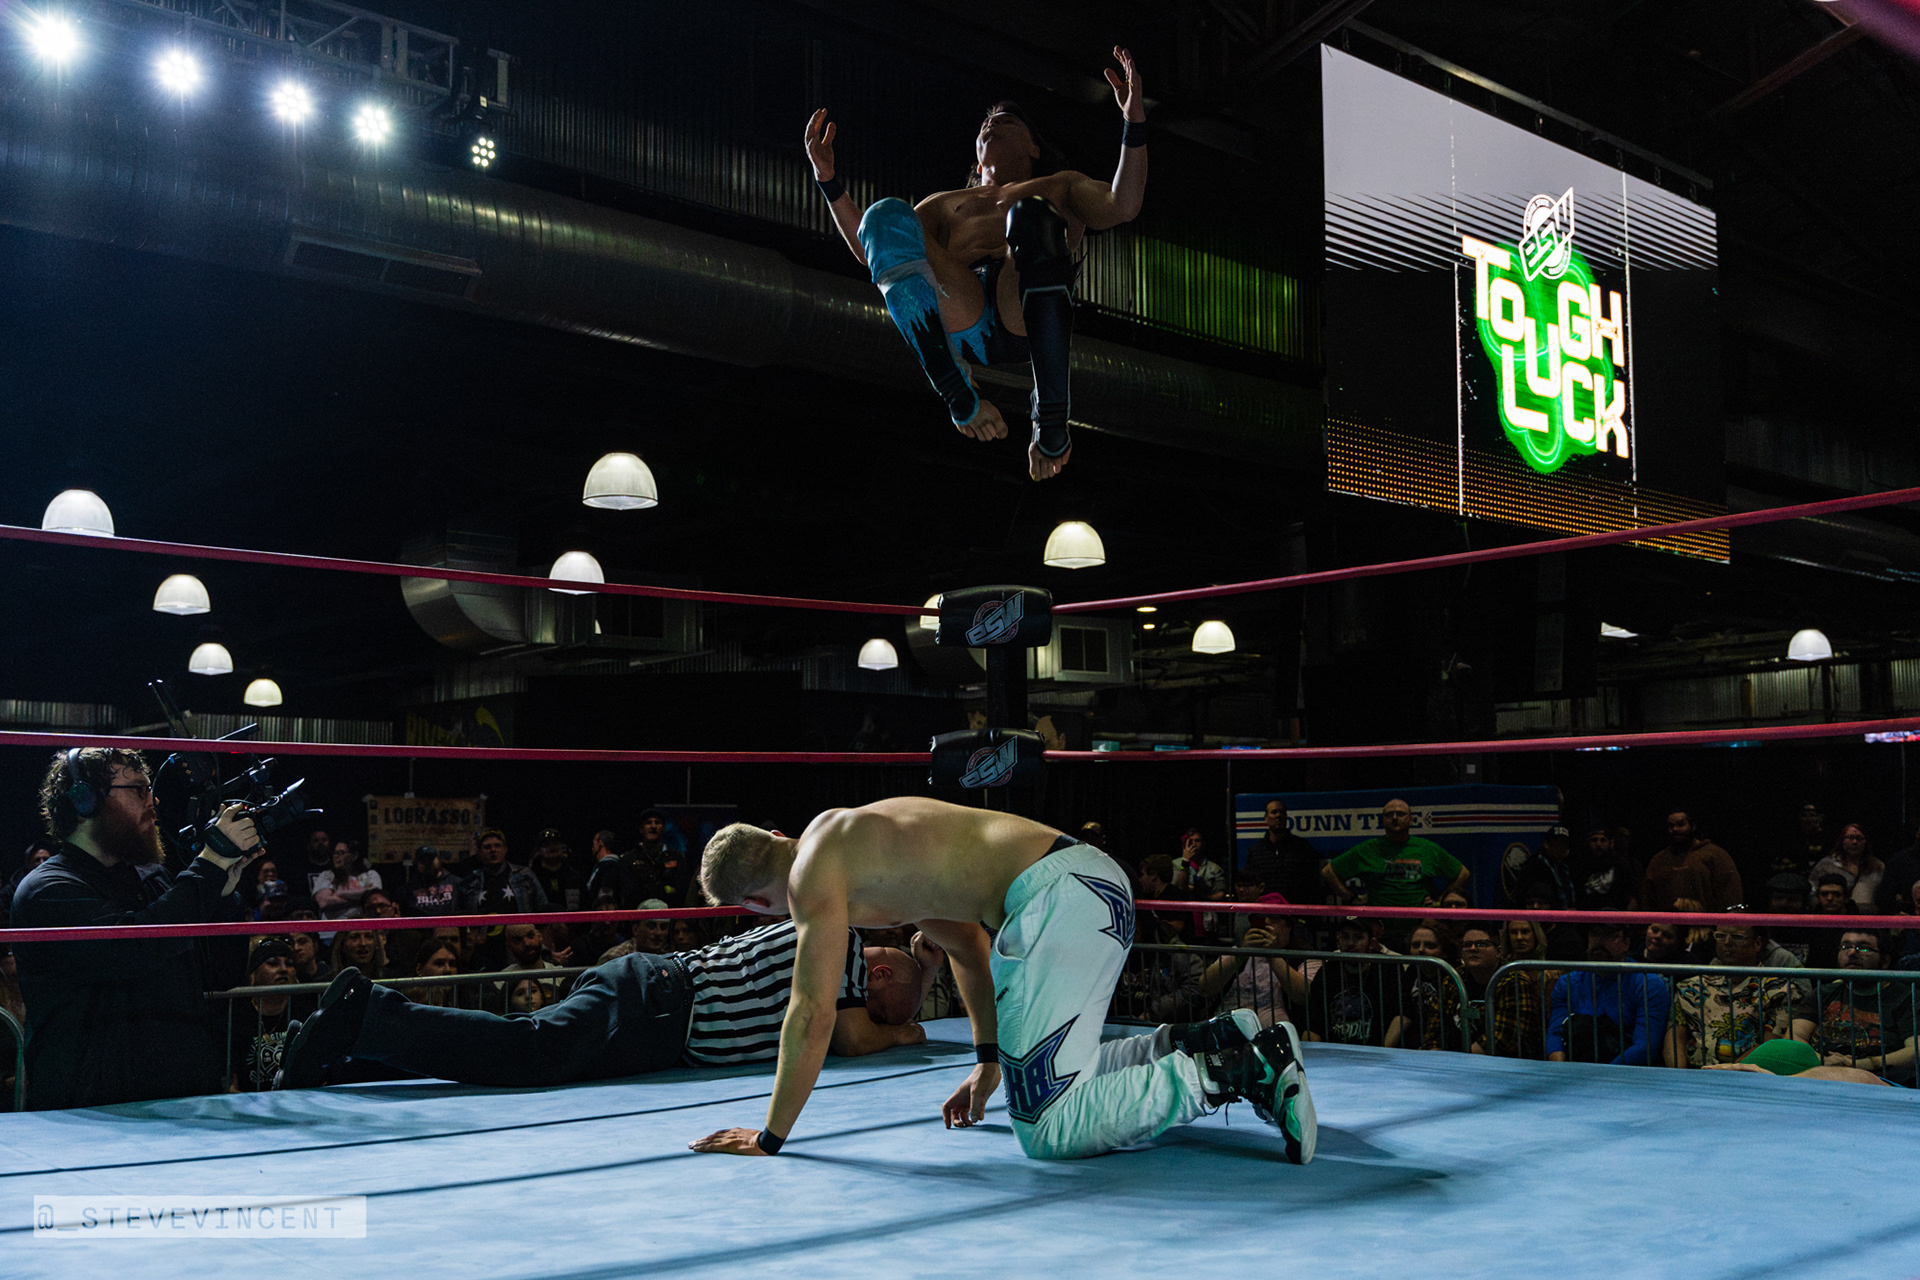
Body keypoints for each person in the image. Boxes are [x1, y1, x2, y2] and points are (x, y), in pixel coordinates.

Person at [687, 797, 1316, 1163]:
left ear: (758, 904)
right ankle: (1207, 1041)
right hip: (1090, 883)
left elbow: (811, 1011)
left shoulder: (811, 876)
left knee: (1047, 1127)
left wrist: (770, 1136)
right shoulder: (855, 843)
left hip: (1057, 898)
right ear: (775, 835)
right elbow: (966, 945)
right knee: (1050, 1080)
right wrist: (987, 1060)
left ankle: (1236, 1070)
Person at [805, 49, 1149, 481]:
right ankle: (955, 389)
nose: (992, 122)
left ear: (1033, 146)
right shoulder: (946, 204)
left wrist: (1134, 122)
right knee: (884, 216)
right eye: (987, 121)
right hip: (960, 308)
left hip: (1025, 308)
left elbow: (1122, 204)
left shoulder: (1061, 185)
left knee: (1031, 215)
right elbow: (872, 245)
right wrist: (828, 181)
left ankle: (1051, 411)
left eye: (1008, 119)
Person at [277, 916, 940, 1089]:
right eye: (886, 1007)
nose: (878, 1018)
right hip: (659, 1004)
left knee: (522, 1055)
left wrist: (928, 972)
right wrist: (906, 1034)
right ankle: (368, 1013)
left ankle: (339, 1053)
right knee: (528, 1051)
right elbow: (854, 1038)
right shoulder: (840, 944)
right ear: (878, 977)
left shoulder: (839, 950)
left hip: (656, 1016)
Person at [10, 748, 264, 1109]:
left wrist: (221, 898)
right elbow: (131, 949)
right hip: (93, 1113)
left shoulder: (153, 877)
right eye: (139, 789)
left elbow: (218, 974)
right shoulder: (46, 890)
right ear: (85, 801)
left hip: (180, 1101)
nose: (153, 800)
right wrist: (209, 866)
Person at [1664, 914, 1813, 1068]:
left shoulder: (1779, 991)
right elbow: (1675, 1037)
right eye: (1720, 936)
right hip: (1693, 1074)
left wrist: (1728, 1072)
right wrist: (1679, 1075)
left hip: (1749, 1073)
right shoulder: (1690, 987)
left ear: (1757, 943)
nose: (1727, 942)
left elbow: (1771, 1044)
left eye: (1737, 937)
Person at [1322, 800, 1469, 946]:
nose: (1394, 818)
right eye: (1389, 814)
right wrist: (1350, 897)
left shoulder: (1428, 848)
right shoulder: (1367, 849)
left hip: (1420, 930)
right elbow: (1328, 871)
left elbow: (1462, 874)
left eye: (1400, 814)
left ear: (1410, 819)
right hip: (1380, 931)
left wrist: (1440, 901)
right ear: (1383, 820)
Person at [1545, 923, 1670, 1066]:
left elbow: (1644, 1047)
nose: (1600, 940)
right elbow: (1556, 1033)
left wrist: (1600, 1075)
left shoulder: (1648, 984)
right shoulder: (1567, 983)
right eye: (1595, 933)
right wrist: (1560, 1070)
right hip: (1577, 1067)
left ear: (1626, 943)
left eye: (1610, 935)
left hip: (1627, 1071)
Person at [1809, 930, 1917, 1086]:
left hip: (1879, 1077)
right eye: (1846, 946)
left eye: (1864, 948)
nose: (1852, 953)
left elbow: (1916, 1050)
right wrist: (1821, 1060)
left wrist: (1866, 1064)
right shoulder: (1823, 992)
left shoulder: (1906, 997)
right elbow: (1795, 1035)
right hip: (1819, 1070)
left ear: (1885, 961)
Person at [1423, 924, 1545, 1058]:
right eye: (1467, 945)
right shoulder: (1453, 979)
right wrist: (1435, 1057)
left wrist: (1458, 1061)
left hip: (1502, 1063)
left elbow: (1505, 1039)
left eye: (1481, 944)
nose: (1473, 948)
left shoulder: (1514, 980)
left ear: (1499, 951)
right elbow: (1434, 1031)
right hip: (1454, 1060)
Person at [1302, 918, 1396, 1046]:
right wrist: (1309, 1051)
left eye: (1358, 937)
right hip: (1333, 1050)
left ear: (1371, 943)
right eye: (1345, 937)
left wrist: (1385, 1050)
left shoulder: (1387, 969)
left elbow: (1400, 1016)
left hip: (1375, 1049)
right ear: (1337, 941)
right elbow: (1315, 1023)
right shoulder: (1328, 971)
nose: (1351, 943)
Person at [226, 938, 298, 1092]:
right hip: (249, 1101)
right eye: (273, 963)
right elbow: (230, 1085)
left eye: (289, 963)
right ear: (254, 975)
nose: (284, 969)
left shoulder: (306, 1007)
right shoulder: (237, 1015)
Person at [1640, 811, 1742, 911]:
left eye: (1681, 824)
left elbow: (1730, 891)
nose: (1675, 829)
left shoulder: (1714, 854)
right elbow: (1648, 896)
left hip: (1706, 920)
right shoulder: (1659, 860)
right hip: (1667, 920)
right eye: (1671, 826)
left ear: (1692, 826)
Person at [1242, 800, 1326, 907]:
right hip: (1265, 911)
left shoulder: (1302, 847)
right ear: (1266, 818)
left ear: (1286, 817)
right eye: (1274, 812)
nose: (1278, 816)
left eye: (1282, 812)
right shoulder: (1255, 851)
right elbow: (1249, 884)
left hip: (1295, 911)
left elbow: (1313, 883)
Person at [455, 829, 549, 915]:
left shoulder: (524, 875)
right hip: (482, 928)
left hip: (519, 928)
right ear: (479, 852)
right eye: (487, 847)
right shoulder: (470, 882)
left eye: (497, 846)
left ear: (505, 849)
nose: (493, 850)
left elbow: (542, 907)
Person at [1808, 822, 1884, 909]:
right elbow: (1812, 891)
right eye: (1850, 838)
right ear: (1842, 840)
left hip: (1868, 914)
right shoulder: (1826, 865)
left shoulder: (1877, 867)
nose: (1854, 842)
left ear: (1865, 842)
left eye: (1859, 838)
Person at [313, 841, 382, 920]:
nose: (336, 856)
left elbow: (374, 897)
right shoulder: (326, 875)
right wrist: (361, 900)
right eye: (335, 853)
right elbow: (324, 902)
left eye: (341, 853)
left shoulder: (370, 875)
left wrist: (340, 893)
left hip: (363, 922)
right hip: (334, 924)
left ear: (354, 856)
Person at [528, 829, 585, 911]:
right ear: (538, 850)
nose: (552, 847)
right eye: (547, 844)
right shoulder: (530, 879)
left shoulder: (574, 877)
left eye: (556, 843)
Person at [404, 846, 460, 916]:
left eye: (430, 860)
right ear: (417, 864)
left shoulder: (456, 883)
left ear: (438, 860)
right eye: (423, 861)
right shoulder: (409, 888)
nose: (427, 864)